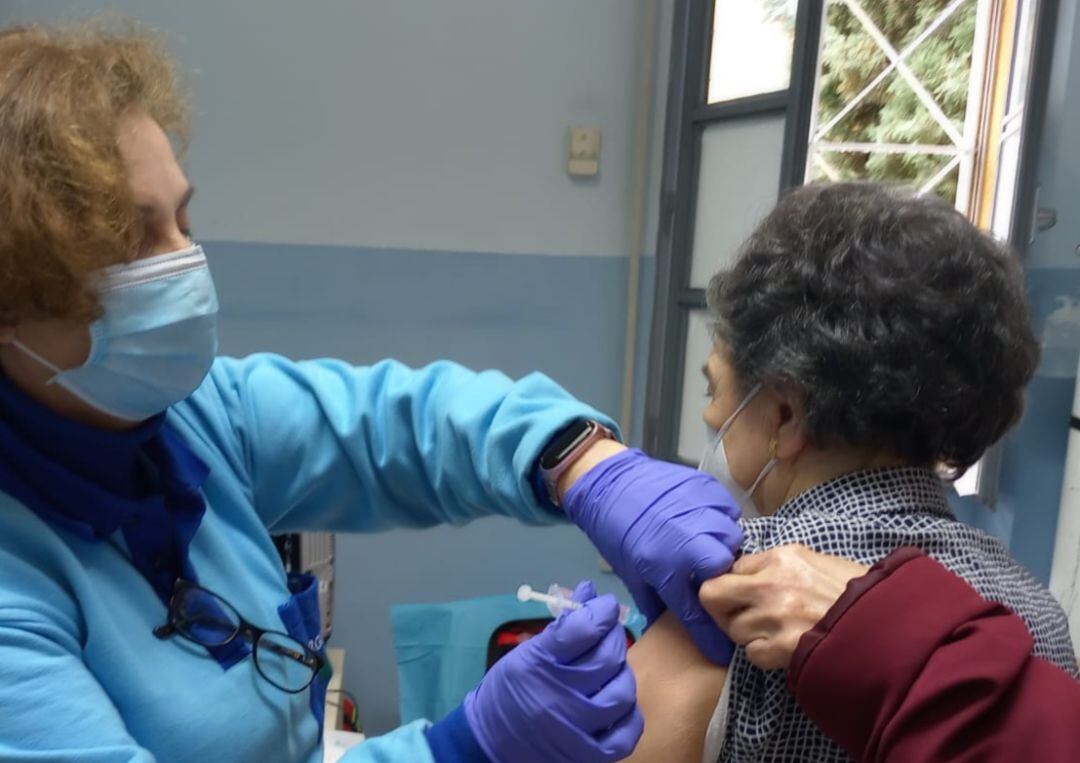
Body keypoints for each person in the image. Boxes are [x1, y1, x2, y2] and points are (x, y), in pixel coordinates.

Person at [0, 22, 746, 763]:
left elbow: (397, 426)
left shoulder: (190, 418)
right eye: (133, 241)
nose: (187, 262)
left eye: (183, 218)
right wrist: (462, 746)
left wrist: (582, 462)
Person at [609, 182, 1079, 762]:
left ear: (785, 415)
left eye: (714, 390)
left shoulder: (739, 593)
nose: (710, 416)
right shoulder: (1035, 616)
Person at [705, 544, 1080, 762]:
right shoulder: (1043, 607)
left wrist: (885, 630)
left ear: (784, 432)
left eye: (714, 403)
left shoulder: (746, 575)